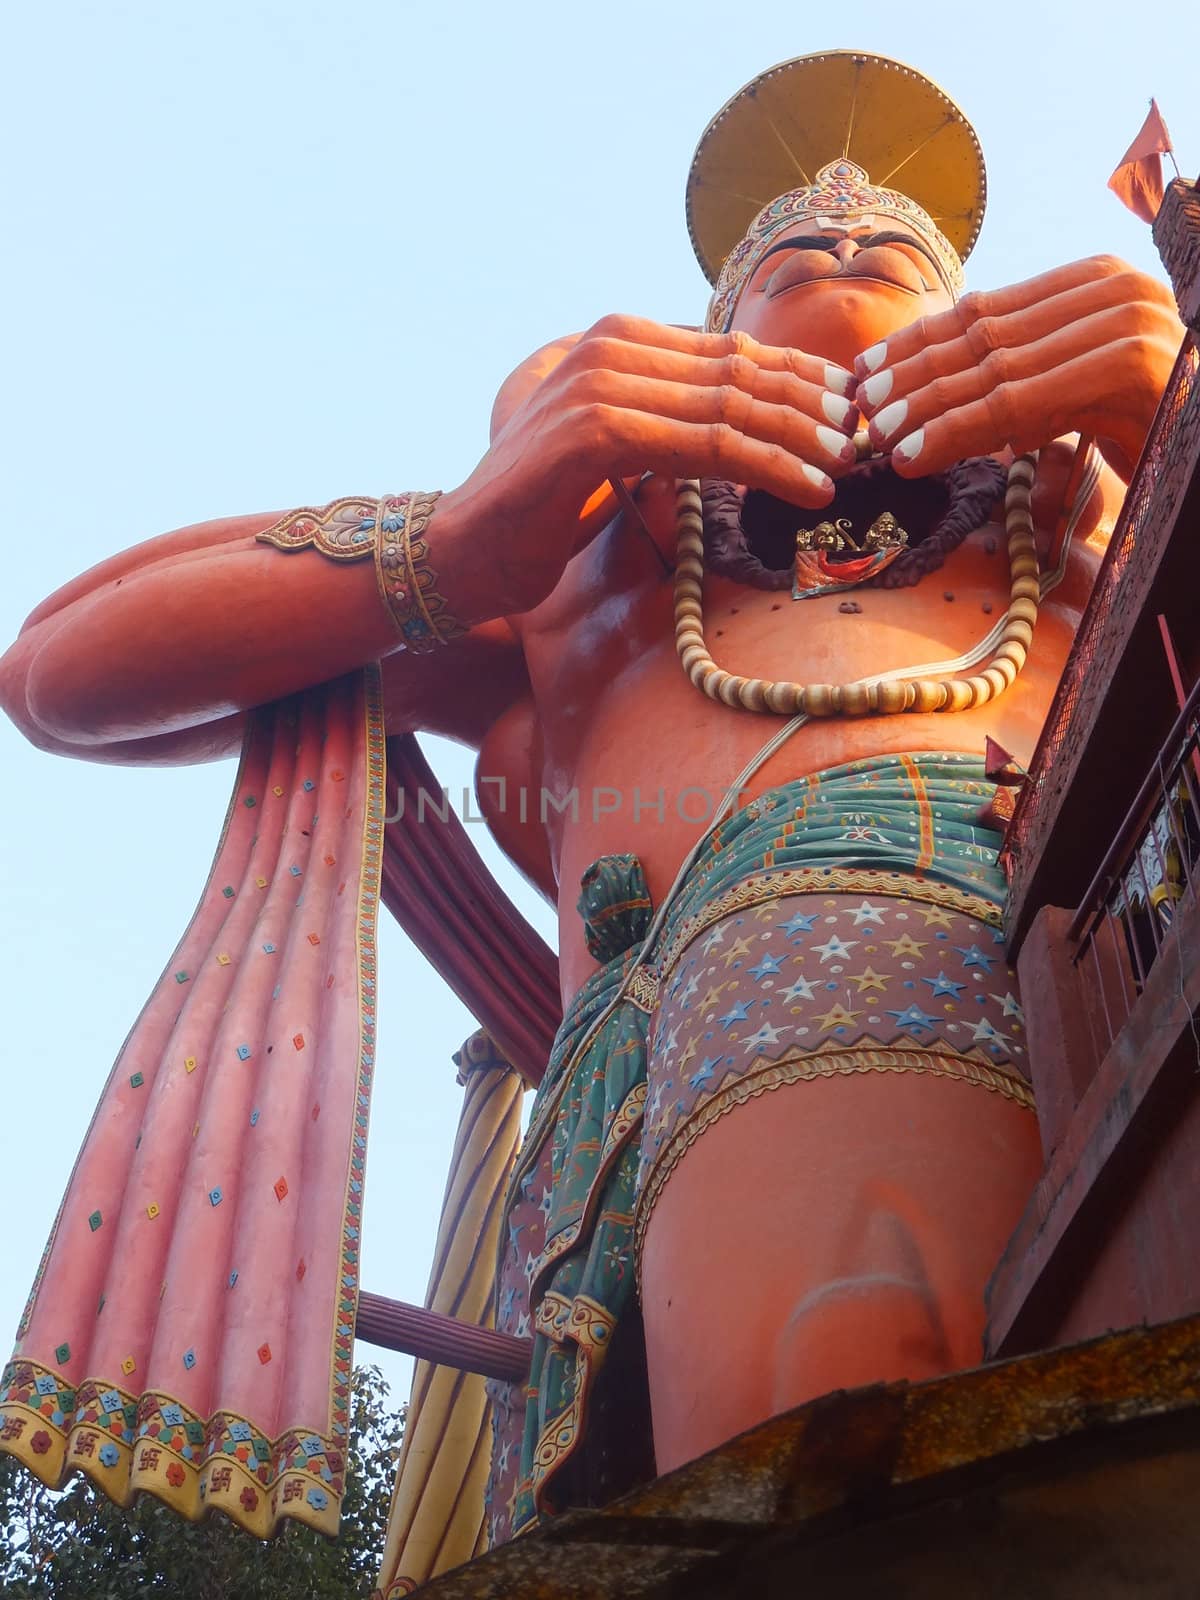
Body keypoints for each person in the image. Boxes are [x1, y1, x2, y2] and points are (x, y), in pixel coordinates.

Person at [0, 51, 1183, 1548]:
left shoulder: (1083, 535)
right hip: (688, 1095)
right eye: (795, 256)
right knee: (836, 1403)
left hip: (1099, 936)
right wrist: (462, 544)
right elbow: (61, 667)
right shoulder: (594, 586)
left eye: (895, 255)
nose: (841, 253)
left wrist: (1170, 416)